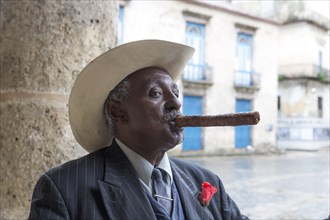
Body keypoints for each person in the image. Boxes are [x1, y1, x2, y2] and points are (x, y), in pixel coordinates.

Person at [28, 40, 249, 220]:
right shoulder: (63, 187)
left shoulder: (204, 180)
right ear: (118, 113)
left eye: (175, 93)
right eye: (156, 94)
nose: (176, 104)